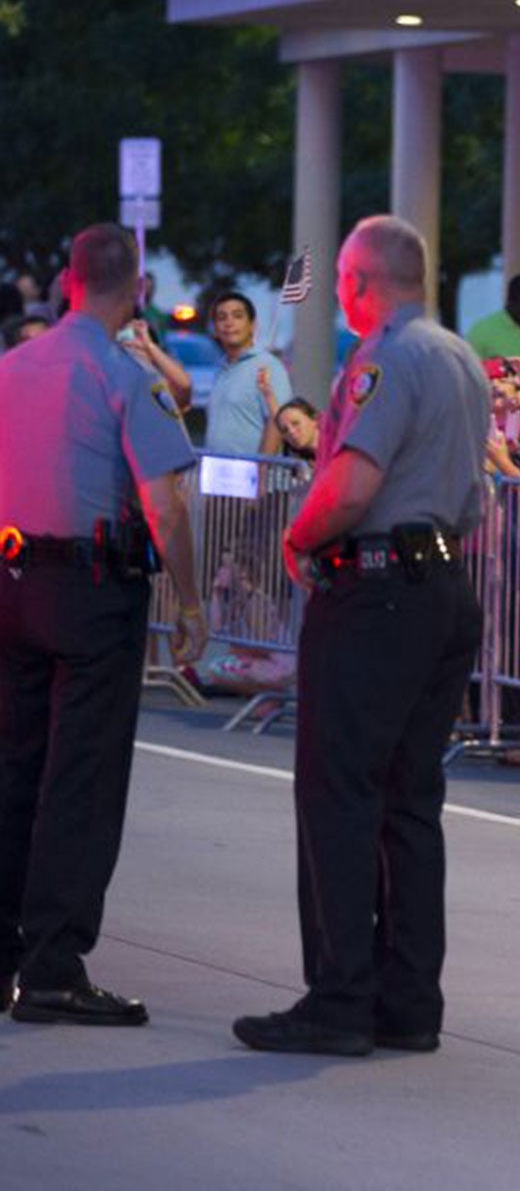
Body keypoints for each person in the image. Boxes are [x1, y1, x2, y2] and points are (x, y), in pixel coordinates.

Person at [233, 214, 488, 1056]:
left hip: (378, 587)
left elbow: (351, 481)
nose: (340, 294)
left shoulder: (384, 358)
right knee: (410, 801)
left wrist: (298, 537)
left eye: (344, 280)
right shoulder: (458, 358)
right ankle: (409, 1001)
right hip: (444, 584)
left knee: (340, 792)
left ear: (361, 280)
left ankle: (339, 997)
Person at [0, 225, 206, 1027]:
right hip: (91, 590)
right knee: (79, 780)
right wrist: (189, 602)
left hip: (12, 584)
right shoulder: (124, 375)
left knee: (14, 767)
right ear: (139, 291)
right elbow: (164, 502)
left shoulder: (13, 366)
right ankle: (53, 965)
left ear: (65, 280)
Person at [203, 289, 294, 456]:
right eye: (222, 318)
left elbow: (277, 422)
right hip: (215, 471)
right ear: (215, 329)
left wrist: (262, 472)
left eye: (237, 316)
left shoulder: (268, 366)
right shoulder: (221, 371)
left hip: (251, 474)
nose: (229, 323)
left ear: (253, 325)